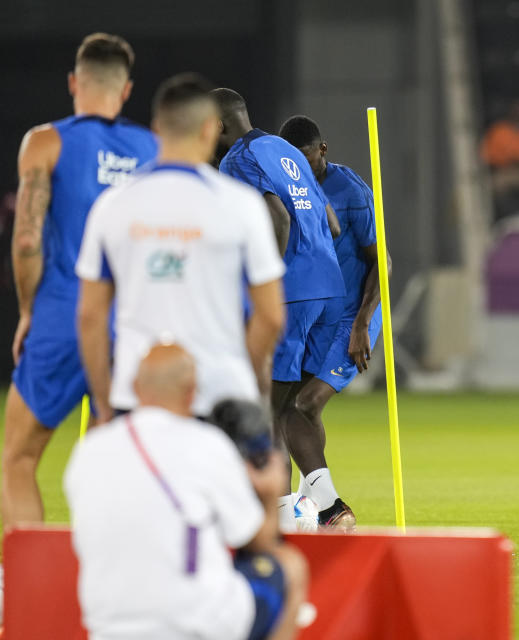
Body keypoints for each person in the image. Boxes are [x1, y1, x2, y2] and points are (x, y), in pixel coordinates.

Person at [2, 33, 157, 530]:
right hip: (132, 321)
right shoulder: (154, 148)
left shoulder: (45, 142)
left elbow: (27, 240)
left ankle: (18, 587)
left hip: (63, 312)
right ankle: (107, 585)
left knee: (18, 459)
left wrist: (29, 311)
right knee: (113, 466)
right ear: (126, 89)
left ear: (74, 82)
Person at [75, 73, 286, 421]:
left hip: (136, 392)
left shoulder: (113, 205)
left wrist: (103, 402)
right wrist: (241, 377)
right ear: (208, 129)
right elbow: (271, 316)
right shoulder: (242, 205)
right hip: (219, 394)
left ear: (156, 129)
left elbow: (90, 315)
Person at [64, 343, 307, 640]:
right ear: (192, 392)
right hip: (191, 624)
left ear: (134, 388)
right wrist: (271, 493)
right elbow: (256, 538)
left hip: (107, 625)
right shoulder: (206, 445)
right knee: (290, 566)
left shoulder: (89, 450)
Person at [213, 89, 350, 530]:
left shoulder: (237, 160)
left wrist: (265, 287)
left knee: (264, 409)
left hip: (290, 293)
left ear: (216, 124)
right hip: (329, 290)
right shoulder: (285, 150)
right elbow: (331, 221)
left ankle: (279, 518)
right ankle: (325, 509)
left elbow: (279, 218)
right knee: (293, 408)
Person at [278, 114, 389, 527]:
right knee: (294, 408)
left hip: (351, 316)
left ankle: (330, 508)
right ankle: (309, 508)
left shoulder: (351, 192)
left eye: (307, 159)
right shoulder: (283, 187)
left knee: (301, 403)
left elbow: (383, 261)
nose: (300, 169)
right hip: (309, 316)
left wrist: (362, 323)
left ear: (322, 149)